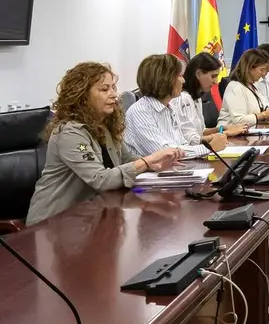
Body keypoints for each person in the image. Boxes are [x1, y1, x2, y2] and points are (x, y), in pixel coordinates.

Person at [26, 62, 181, 224]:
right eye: (105, 89)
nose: (114, 94)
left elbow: (126, 159)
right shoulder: (70, 132)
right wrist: (147, 160)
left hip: (89, 216)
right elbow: (100, 179)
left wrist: (155, 164)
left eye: (114, 87)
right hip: (52, 223)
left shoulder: (104, 125)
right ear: (82, 96)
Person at [125, 54, 227, 160]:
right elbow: (164, 154)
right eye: (179, 76)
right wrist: (209, 148)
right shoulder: (140, 112)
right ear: (164, 80)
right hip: (148, 175)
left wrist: (209, 143)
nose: (183, 80)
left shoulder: (169, 108)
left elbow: (182, 144)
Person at [177, 52, 248, 146]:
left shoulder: (196, 97)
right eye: (213, 76)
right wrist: (225, 133)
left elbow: (201, 131)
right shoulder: (183, 98)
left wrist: (223, 128)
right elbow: (192, 140)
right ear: (198, 74)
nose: (216, 81)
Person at [219, 48, 269, 126]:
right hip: (229, 135)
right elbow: (239, 120)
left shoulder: (253, 86)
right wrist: (264, 114)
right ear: (249, 68)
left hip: (248, 132)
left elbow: (259, 109)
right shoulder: (235, 87)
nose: (263, 74)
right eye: (261, 70)